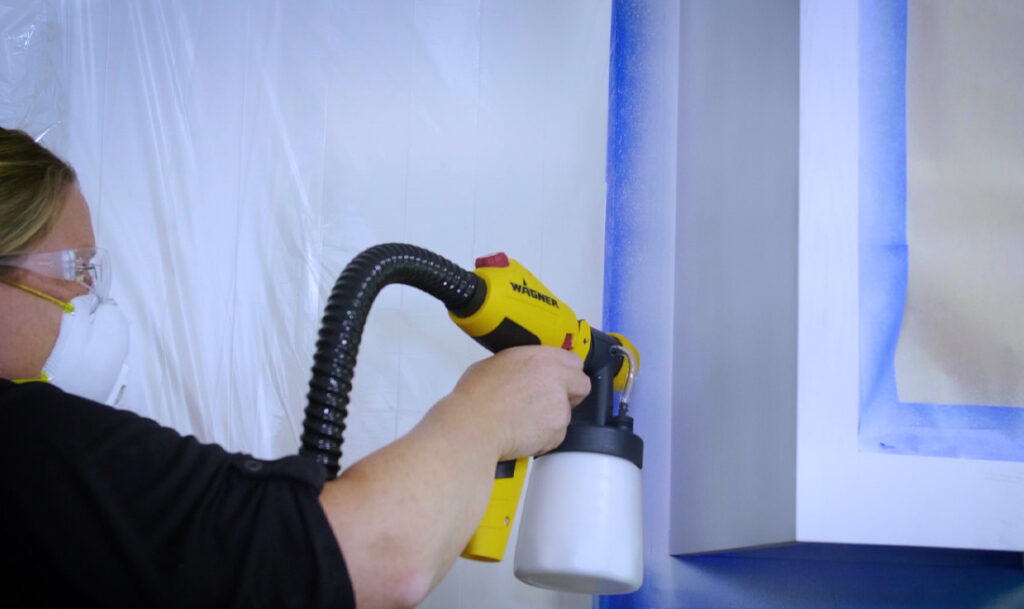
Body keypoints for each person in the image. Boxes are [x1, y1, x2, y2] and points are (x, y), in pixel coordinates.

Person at [0, 126, 591, 608]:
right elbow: (373, 559)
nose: (89, 298)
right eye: (77, 269)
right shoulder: (30, 442)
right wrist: (488, 413)